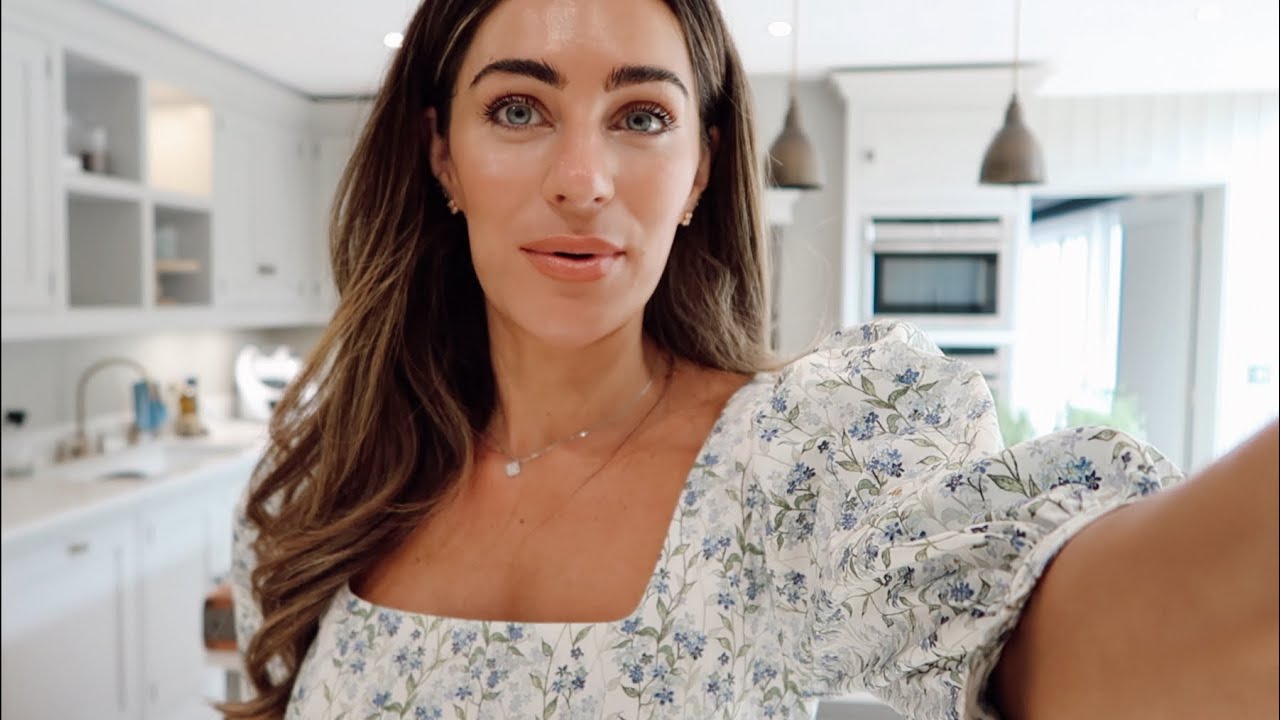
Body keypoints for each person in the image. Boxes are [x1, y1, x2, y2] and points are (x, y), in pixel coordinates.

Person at [223, 0, 1279, 718]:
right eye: (517, 108)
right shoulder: (333, 482)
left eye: (641, 116)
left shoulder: (796, 462)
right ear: (441, 155)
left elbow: (1113, 641)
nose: (583, 178)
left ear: (698, 171)